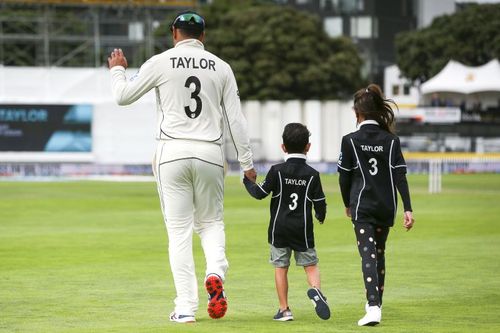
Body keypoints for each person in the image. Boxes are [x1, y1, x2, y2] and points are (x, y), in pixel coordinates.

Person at [108, 11, 256, 323]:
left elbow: (122, 97)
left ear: (175, 33)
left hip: (171, 151)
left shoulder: (161, 61)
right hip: (210, 153)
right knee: (211, 223)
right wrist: (247, 165)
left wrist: (118, 71)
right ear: (203, 35)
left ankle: (186, 308)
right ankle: (215, 271)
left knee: (179, 233)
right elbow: (236, 120)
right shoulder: (222, 67)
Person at [337, 84, 415, 326]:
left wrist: (347, 204)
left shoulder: (350, 140)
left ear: (357, 113)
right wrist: (408, 208)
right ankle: (376, 303)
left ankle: (373, 307)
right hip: (386, 207)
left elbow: (344, 176)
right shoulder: (392, 140)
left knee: (367, 255)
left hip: (362, 205)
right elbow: (400, 176)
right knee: (379, 254)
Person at [243, 123, 330, 321]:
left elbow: (259, 193)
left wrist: (248, 181)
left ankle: (284, 310)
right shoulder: (313, 175)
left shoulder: (277, 171)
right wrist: (320, 216)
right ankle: (316, 291)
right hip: (303, 228)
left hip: (279, 228)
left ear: (283, 147)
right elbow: (320, 202)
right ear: (308, 147)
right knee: (311, 265)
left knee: (281, 268)